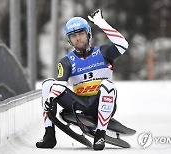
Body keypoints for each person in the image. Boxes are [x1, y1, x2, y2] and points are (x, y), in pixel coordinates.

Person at [36, 9, 128, 150]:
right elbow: (60, 84)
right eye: (73, 36)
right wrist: (51, 98)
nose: (78, 38)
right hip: (79, 103)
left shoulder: (103, 52)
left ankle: (100, 134)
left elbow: (123, 45)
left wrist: (100, 22)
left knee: (108, 85)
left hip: (100, 102)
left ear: (88, 34)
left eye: (81, 34)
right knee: (48, 84)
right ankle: (49, 135)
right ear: (69, 39)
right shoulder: (66, 61)